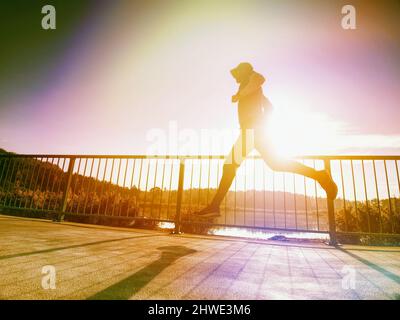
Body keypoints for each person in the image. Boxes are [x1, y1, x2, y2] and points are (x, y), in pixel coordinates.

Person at [195, 62, 338, 218]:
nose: (235, 77)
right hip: (254, 132)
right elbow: (270, 107)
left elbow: (260, 78)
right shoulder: (252, 88)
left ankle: (215, 206)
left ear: (245, 72)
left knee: (230, 166)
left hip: (252, 132)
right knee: (275, 164)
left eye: (237, 73)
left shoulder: (253, 80)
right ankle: (320, 175)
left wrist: (240, 98)